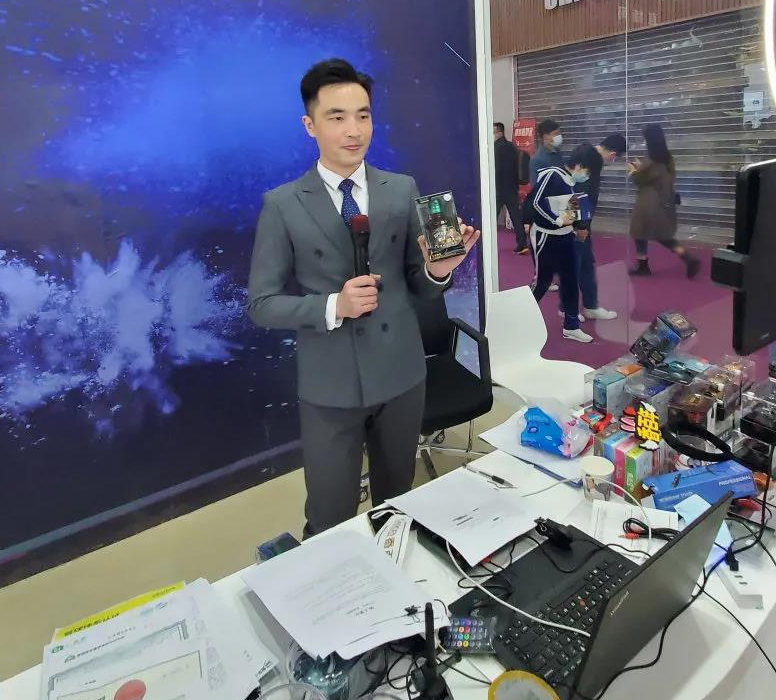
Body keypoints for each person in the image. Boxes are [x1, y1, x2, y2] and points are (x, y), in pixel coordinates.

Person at [247, 58, 479, 536]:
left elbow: (419, 284)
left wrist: (437, 271)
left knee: (398, 503)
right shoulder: (283, 204)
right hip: (330, 385)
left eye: (364, 115)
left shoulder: (401, 189)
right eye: (337, 117)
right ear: (310, 125)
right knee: (328, 515)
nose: (354, 131)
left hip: (401, 374)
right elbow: (262, 304)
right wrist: (335, 305)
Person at [530, 156, 592, 343]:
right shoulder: (552, 175)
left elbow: (571, 206)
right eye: (587, 172)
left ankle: (571, 326)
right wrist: (556, 220)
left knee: (571, 280)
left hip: (566, 236)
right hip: (546, 236)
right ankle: (519, 314)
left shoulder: (571, 181)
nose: (587, 176)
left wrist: (579, 227)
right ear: (578, 165)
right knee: (543, 281)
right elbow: (536, 202)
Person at [565, 134, 627, 321]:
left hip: (579, 221)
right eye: (615, 158)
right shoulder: (589, 158)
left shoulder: (587, 154)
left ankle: (590, 306)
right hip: (575, 222)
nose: (612, 161)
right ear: (613, 154)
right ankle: (568, 309)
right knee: (574, 266)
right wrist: (581, 226)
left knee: (585, 264)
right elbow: (579, 194)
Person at [628, 124, 700, 278]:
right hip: (664, 200)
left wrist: (633, 171)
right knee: (664, 236)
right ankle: (687, 257)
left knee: (639, 233)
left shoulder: (650, 161)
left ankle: (643, 266)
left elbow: (639, 180)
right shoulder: (668, 158)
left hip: (647, 202)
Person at [493, 122, 529, 253]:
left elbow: (496, 170)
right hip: (512, 187)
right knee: (516, 217)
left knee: (491, 217)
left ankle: (485, 244)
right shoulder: (512, 146)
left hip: (498, 188)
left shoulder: (495, 148)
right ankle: (522, 243)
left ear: (498, 132)